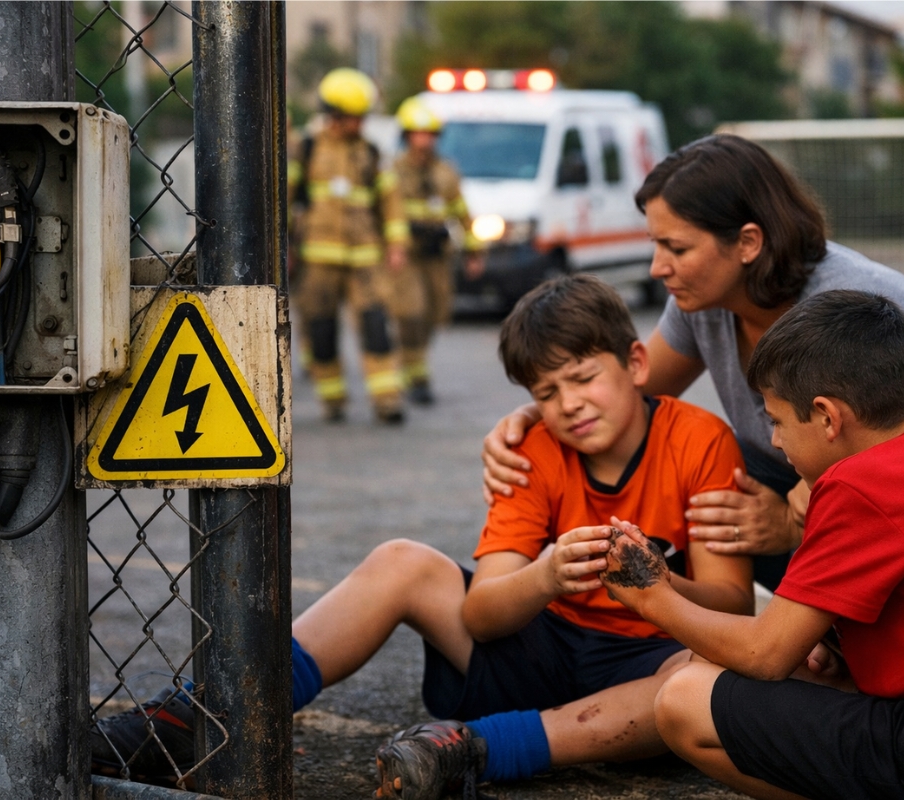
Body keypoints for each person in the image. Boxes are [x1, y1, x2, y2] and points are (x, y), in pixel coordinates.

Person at [91, 275, 753, 795]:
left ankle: (478, 749)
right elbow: (483, 614)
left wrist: (659, 584)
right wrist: (547, 574)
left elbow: (732, 604)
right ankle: (208, 717)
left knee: (705, 672)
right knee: (402, 561)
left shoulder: (698, 440)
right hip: (541, 653)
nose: (570, 403)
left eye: (583, 378)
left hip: (645, 667)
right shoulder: (535, 450)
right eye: (547, 392)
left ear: (636, 362)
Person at [480, 134, 904, 590]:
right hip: (814, 470)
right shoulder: (700, 299)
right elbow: (631, 387)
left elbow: (876, 456)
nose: (657, 267)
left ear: (749, 243)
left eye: (677, 248)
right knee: (706, 474)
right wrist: (535, 416)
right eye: (655, 244)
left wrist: (792, 521)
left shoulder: (848, 308)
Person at [600, 290, 904, 800]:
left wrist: (650, 594)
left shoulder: (860, 484)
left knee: (683, 699)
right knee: (737, 664)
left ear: (826, 417)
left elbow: (765, 653)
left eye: (776, 420)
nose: (773, 441)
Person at [289, 67, 410, 424]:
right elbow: (287, 196)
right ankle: (333, 398)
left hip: (365, 258)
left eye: (361, 118)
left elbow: (391, 201)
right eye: (352, 118)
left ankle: (387, 400)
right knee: (321, 329)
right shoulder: (306, 150)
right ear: (333, 115)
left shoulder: (371, 153)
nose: (358, 125)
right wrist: (284, 246)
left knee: (376, 326)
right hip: (317, 258)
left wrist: (397, 243)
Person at [388, 97, 484, 405]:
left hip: (437, 257)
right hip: (407, 258)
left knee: (433, 315)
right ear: (407, 135)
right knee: (410, 313)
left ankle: (415, 366)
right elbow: (385, 212)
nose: (425, 140)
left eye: (430, 134)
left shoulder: (446, 172)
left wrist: (473, 251)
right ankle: (414, 375)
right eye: (418, 133)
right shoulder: (392, 171)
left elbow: (462, 212)